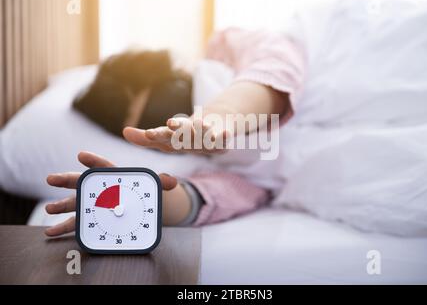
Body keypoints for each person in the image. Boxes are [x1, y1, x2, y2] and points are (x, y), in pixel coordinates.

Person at [45, 27, 306, 236]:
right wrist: (141, 202)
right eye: (148, 121)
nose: (163, 121)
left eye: (159, 104)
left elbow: (278, 63)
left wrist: (216, 119)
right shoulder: (221, 170)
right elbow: (214, 196)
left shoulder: (226, 48)